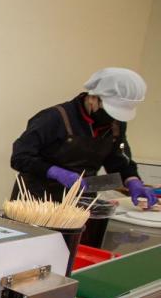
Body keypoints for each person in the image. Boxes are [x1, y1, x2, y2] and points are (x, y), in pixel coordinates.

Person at [10, 67, 155, 207]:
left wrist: (132, 180)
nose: (113, 118)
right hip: (35, 200)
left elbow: (119, 160)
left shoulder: (116, 125)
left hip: (80, 202)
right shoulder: (54, 118)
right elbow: (19, 157)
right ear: (93, 97)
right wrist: (56, 172)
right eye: (110, 111)